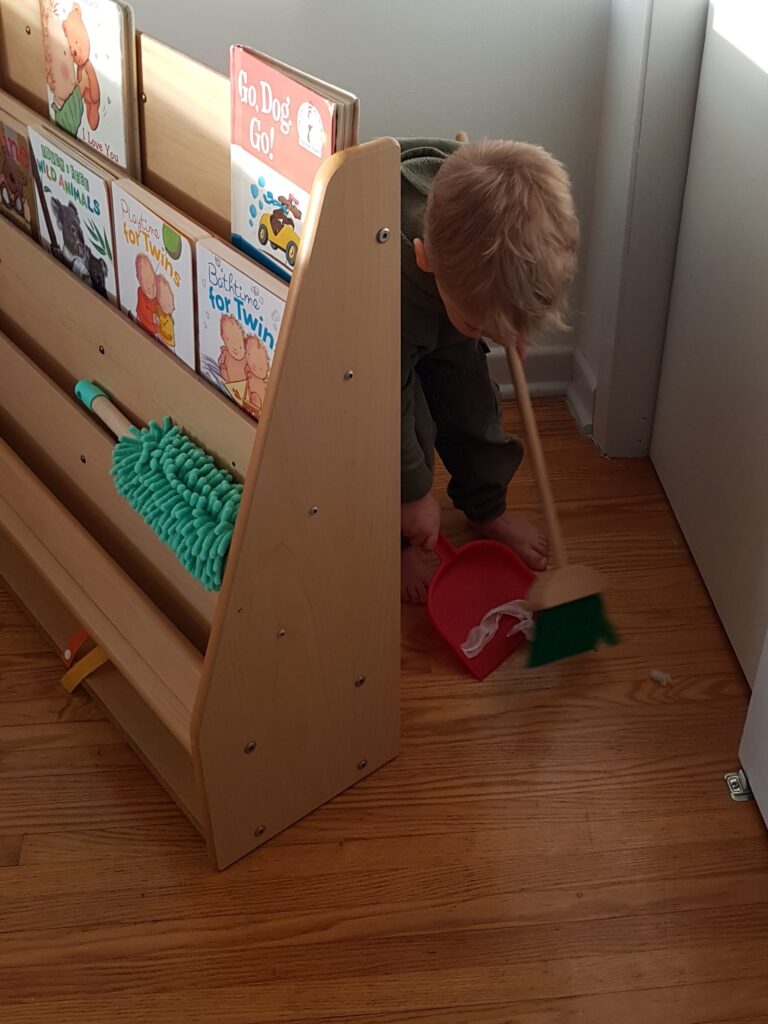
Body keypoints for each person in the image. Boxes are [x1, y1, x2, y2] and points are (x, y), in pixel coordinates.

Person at [399, 138, 579, 603]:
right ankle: (399, 539)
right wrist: (413, 494)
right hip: (389, 333)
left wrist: (507, 325)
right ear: (424, 257)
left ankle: (487, 509)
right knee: (407, 435)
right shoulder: (389, 274)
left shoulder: (475, 224)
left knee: (475, 410)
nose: (495, 338)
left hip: (451, 307)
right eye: (486, 327)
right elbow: (385, 408)